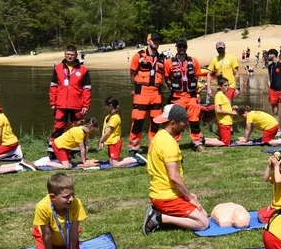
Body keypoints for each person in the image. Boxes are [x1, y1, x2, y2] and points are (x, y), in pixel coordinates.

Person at [141, 104, 209, 234]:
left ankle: (159, 211)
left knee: (203, 213)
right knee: (203, 223)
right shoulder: (168, 143)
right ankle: (159, 218)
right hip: (166, 197)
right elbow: (174, 177)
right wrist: (190, 197)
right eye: (184, 121)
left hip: (162, 193)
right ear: (173, 123)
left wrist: (187, 195)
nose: (186, 124)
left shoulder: (159, 136)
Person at [32, 173, 85, 249]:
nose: (71, 199)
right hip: (48, 240)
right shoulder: (42, 207)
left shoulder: (76, 203)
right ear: (53, 197)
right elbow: (46, 234)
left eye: (72, 194)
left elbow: (74, 230)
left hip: (68, 238)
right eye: (66, 196)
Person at [128, 33, 166, 155]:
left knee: (156, 121)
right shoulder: (138, 56)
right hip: (142, 92)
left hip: (156, 93)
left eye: (158, 40)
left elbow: (165, 77)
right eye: (154, 40)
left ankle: (152, 146)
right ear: (148, 41)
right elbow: (132, 75)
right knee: (138, 120)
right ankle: (133, 148)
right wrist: (137, 87)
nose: (156, 42)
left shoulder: (162, 58)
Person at [49, 45, 92, 155]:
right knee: (58, 126)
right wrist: (52, 102)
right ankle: (53, 148)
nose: (69, 56)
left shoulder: (83, 69)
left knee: (77, 127)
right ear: (64, 54)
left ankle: (77, 149)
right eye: (68, 54)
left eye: (72, 55)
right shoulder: (58, 67)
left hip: (77, 104)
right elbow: (53, 86)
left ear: (76, 56)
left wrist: (86, 105)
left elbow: (86, 89)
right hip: (61, 103)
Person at [164, 38, 204, 151]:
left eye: (184, 47)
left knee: (194, 119)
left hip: (191, 96)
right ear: (176, 47)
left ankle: (196, 141)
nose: (182, 49)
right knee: (176, 120)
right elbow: (166, 78)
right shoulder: (169, 62)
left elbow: (197, 76)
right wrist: (172, 87)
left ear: (186, 47)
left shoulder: (194, 61)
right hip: (177, 97)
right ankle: (175, 143)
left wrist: (194, 88)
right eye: (180, 46)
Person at [97, 97, 141, 167]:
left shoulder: (115, 117)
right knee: (112, 162)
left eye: (106, 105)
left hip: (115, 143)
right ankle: (131, 158)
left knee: (115, 165)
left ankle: (136, 159)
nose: (105, 107)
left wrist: (101, 140)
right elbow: (104, 130)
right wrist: (102, 141)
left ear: (110, 105)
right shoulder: (108, 117)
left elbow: (108, 132)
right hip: (110, 142)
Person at [257, 150, 281, 224]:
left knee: (262, 217)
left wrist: (276, 166)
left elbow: (278, 180)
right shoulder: (278, 172)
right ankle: (273, 213)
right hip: (275, 206)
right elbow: (265, 179)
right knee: (259, 213)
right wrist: (268, 166)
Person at [204, 77, 237, 146]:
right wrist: (231, 112)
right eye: (225, 85)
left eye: (228, 85)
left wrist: (232, 108)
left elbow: (224, 107)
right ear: (219, 86)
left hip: (227, 122)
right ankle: (202, 142)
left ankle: (202, 139)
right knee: (225, 143)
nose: (227, 87)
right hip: (224, 123)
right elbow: (218, 110)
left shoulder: (223, 95)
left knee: (222, 140)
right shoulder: (219, 95)